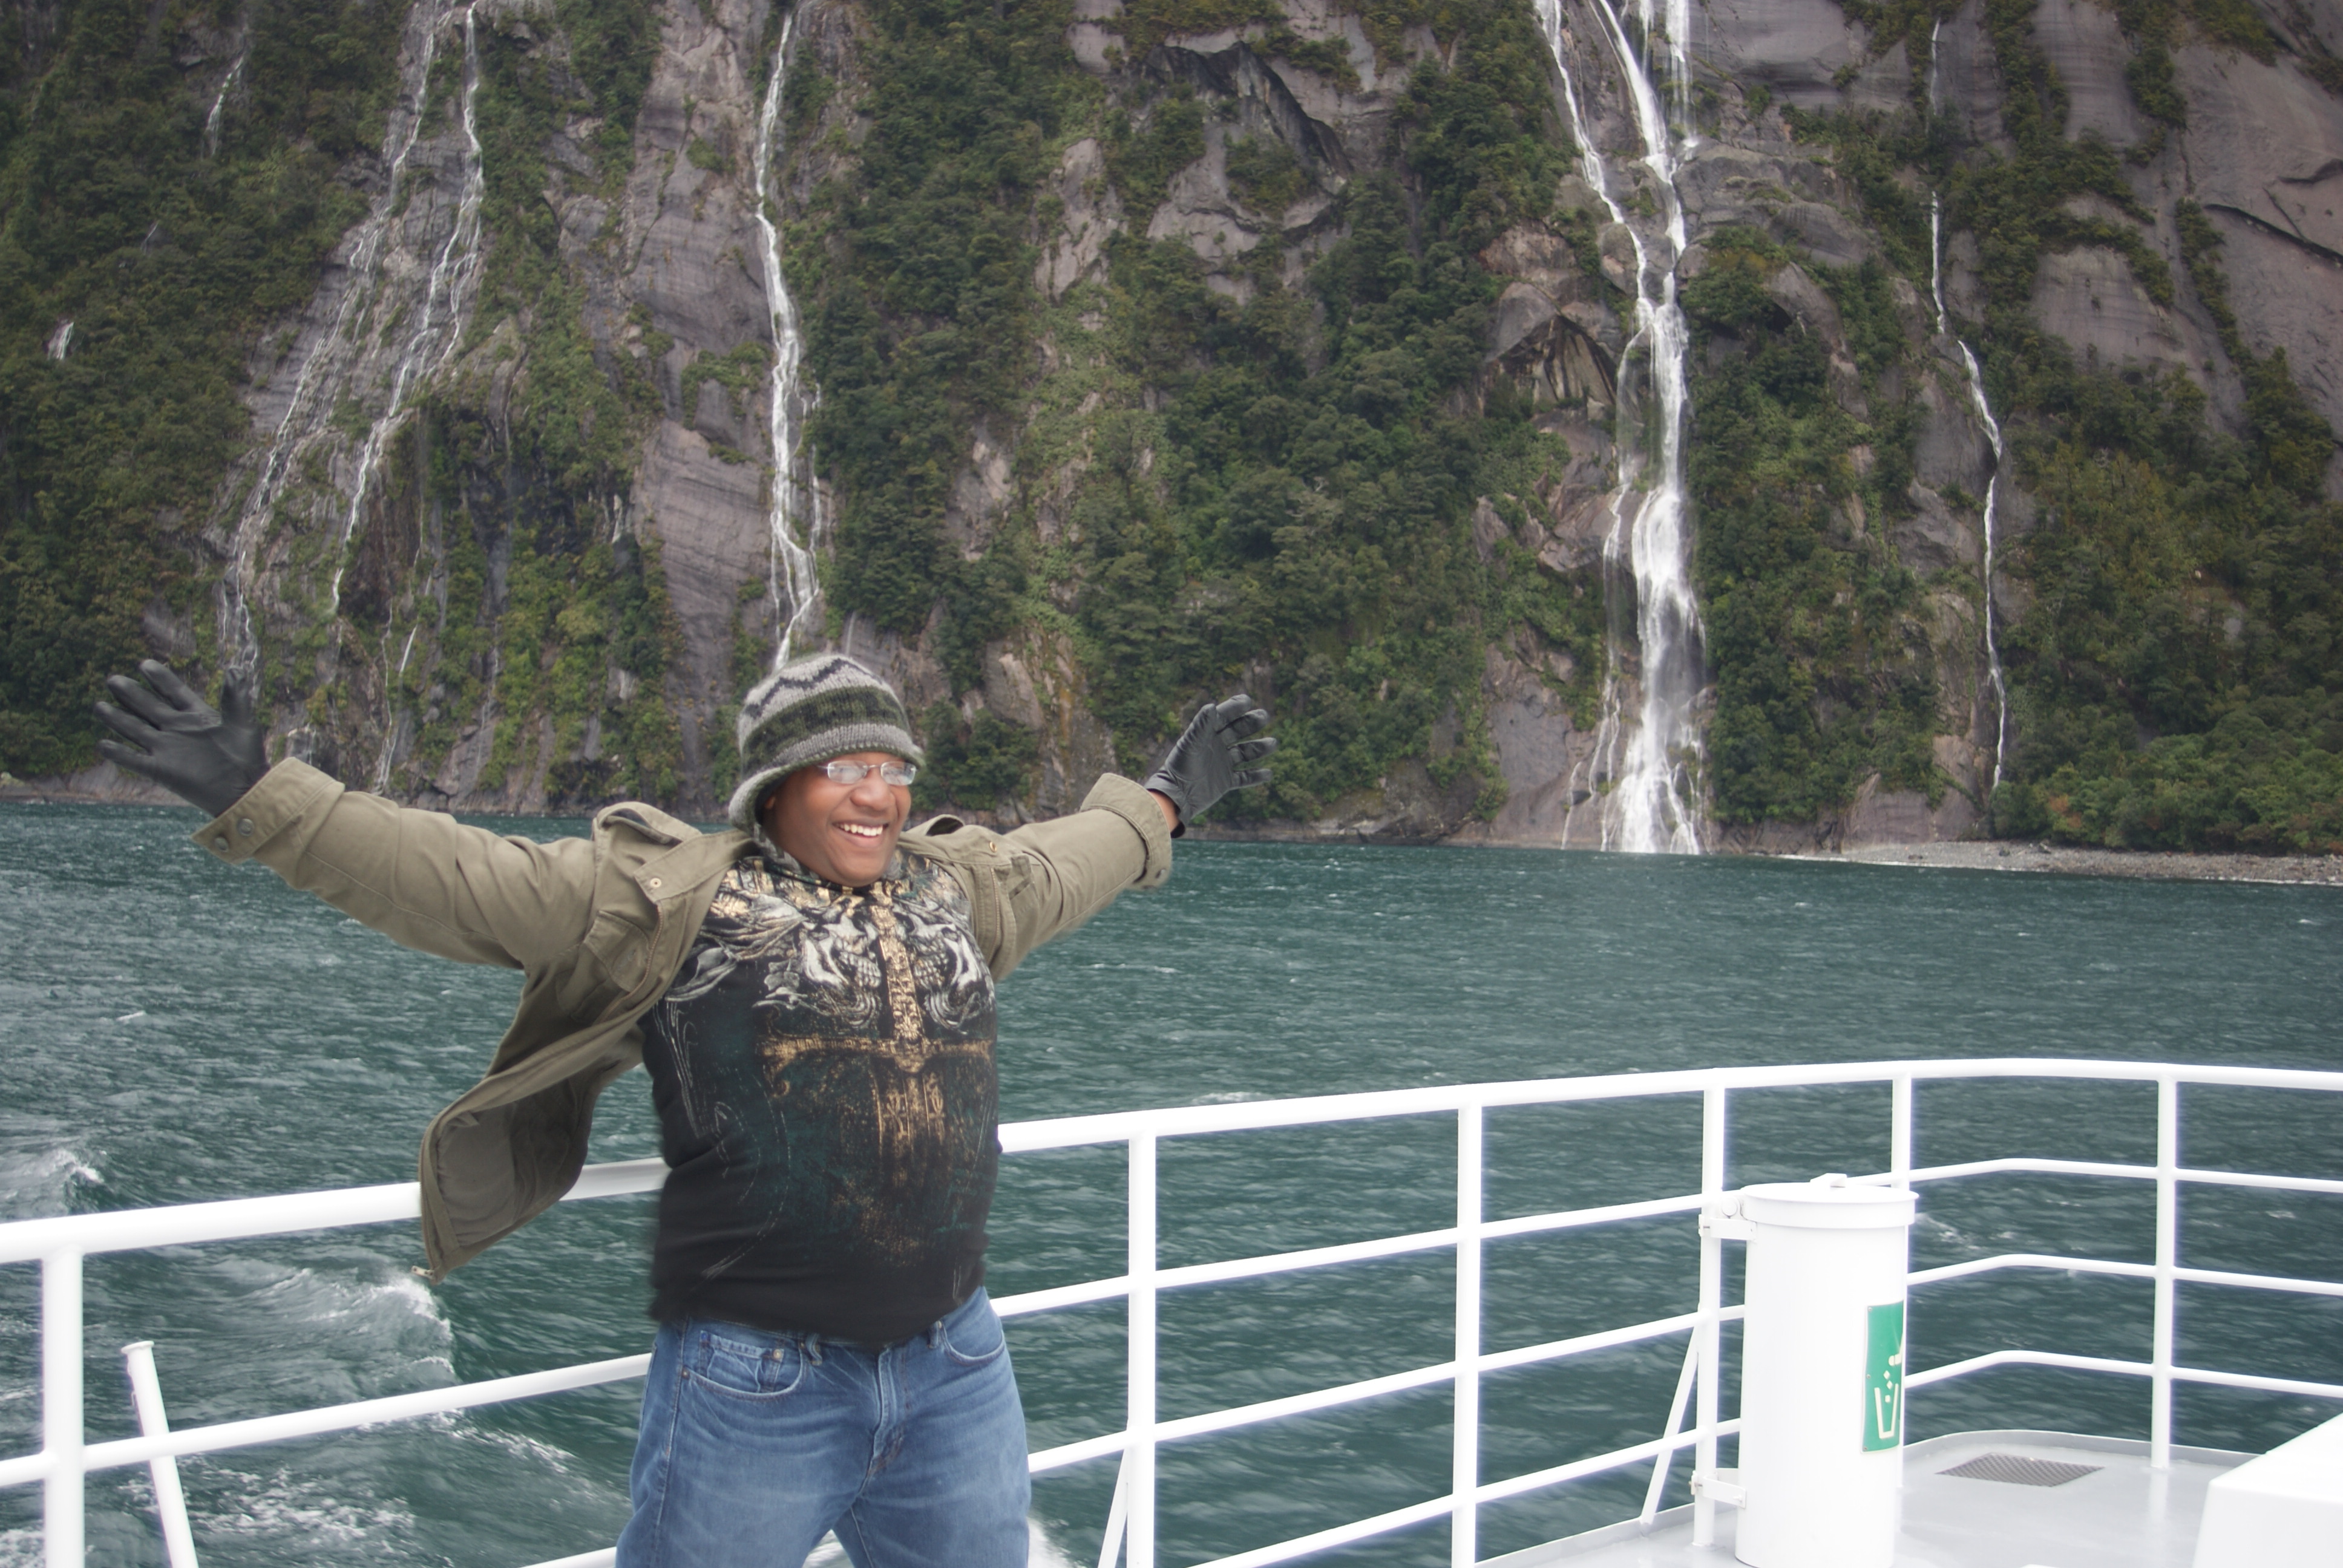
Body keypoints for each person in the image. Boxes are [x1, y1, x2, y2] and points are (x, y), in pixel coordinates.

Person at [94, 652, 1275, 1568]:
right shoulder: (672, 901)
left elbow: (1069, 858)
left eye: (894, 766)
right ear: (777, 787)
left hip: (954, 1361)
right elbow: (455, 876)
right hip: (759, 1382)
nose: (878, 792)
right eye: (845, 767)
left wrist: (1163, 801)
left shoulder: (954, 891)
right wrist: (268, 800)